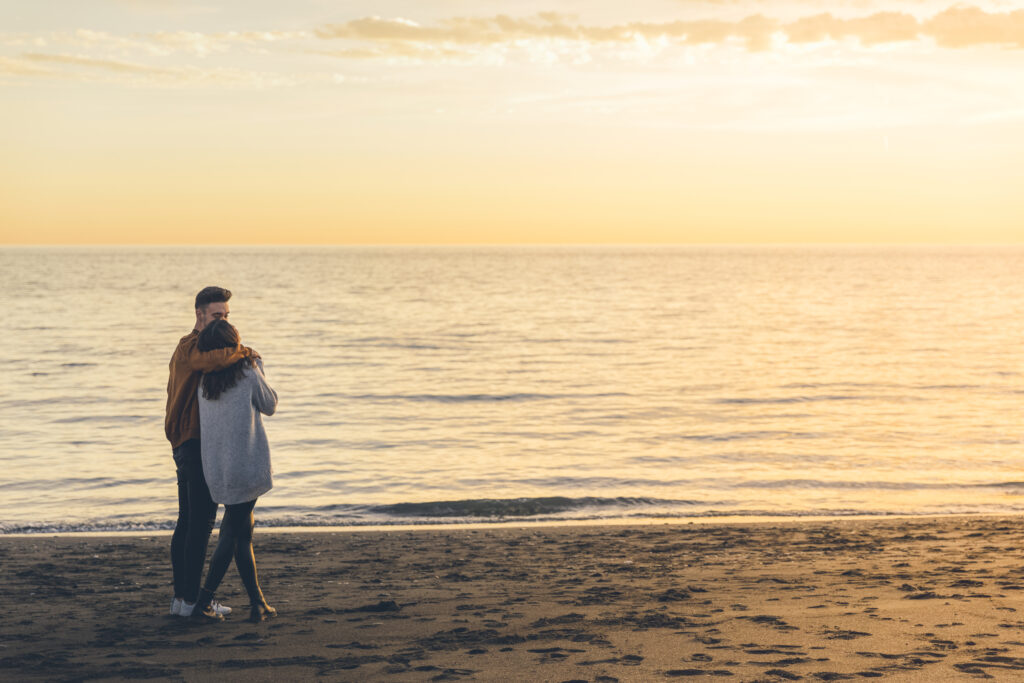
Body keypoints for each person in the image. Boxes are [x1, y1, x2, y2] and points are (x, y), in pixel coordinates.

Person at [165, 286, 258, 622]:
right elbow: (214, 359)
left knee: (188, 521)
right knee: (200, 524)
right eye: (217, 315)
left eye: (227, 316)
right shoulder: (192, 346)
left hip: (183, 442)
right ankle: (191, 601)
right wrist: (243, 351)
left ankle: (181, 600)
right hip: (191, 442)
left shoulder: (193, 347)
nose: (222, 320)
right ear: (199, 315)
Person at [192, 319, 278, 623]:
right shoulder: (246, 371)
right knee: (232, 532)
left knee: (243, 532)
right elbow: (270, 404)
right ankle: (203, 602)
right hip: (246, 466)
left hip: (218, 470)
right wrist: (258, 366)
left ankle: (258, 603)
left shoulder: (204, 381)